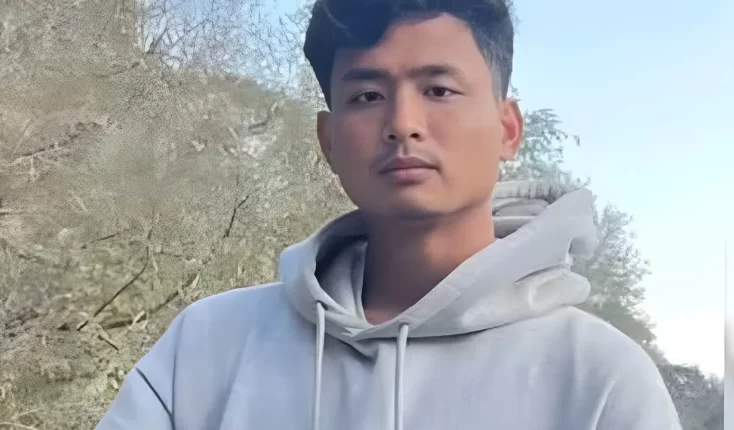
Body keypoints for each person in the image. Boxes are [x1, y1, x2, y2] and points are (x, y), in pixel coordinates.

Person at [96, 0, 682, 429]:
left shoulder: (600, 379)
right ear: (329, 140)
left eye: (439, 90)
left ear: (508, 129)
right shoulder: (207, 345)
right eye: (367, 96)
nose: (403, 123)